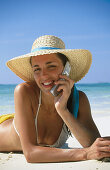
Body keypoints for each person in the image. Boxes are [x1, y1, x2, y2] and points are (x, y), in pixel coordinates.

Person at [0, 35, 110, 163]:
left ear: (66, 68)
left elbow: (94, 145)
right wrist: (85, 154)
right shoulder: (24, 91)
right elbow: (31, 154)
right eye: (37, 69)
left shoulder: (79, 99)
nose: (44, 75)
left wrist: (62, 110)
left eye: (51, 66)